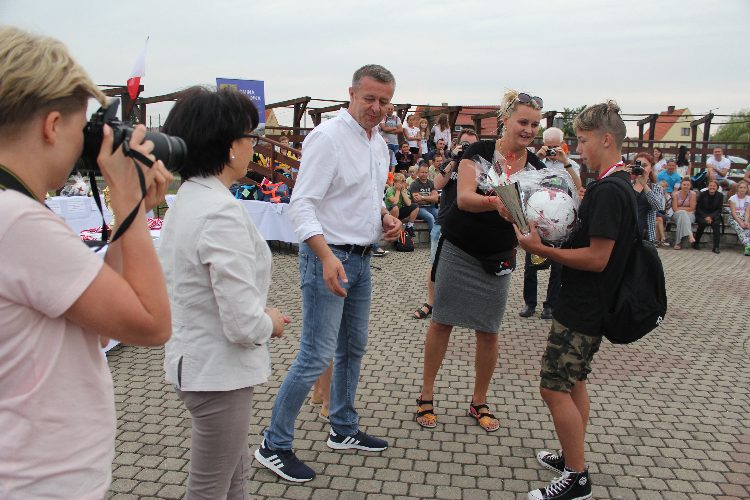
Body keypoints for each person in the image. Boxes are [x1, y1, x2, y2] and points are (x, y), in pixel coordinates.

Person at [0, 27, 172, 498]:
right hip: (38, 482)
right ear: (52, 125)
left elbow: (99, 325)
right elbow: (152, 323)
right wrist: (129, 198)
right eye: (82, 131)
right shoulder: (18, 222)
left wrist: (127, 216)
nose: (86, 147)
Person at [255, 64, 401, 483]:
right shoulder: (328, 137)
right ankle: (274, 444)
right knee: (315, 355)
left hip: (361, 257)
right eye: (369, 98)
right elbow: (301, 204)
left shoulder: (378, 143)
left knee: (353, 347)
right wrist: (324, 256)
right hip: (329, 257)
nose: (377, 108)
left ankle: (343, 427)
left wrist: (385, 218)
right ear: (350, 94)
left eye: (384, 101)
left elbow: (364, 197)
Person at [157, 87, 289, 498]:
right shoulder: (219, 211)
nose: (254, 147)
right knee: (211, 486)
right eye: (251, 137)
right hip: (216, 373)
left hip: (198, 363)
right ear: (231, 146)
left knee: (235, 474)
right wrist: (270, 322)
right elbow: (242, 323)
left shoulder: (189, 197)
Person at [515, 101, 635, 500]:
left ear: (606, 139)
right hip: (588, 302)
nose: (577, 149)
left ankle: (577, 477)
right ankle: (571, 456)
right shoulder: (615, 184)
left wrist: (542, 250)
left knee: (554, 388)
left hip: (585, 306)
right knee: (576, 381)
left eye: (582, 141)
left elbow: (598, 258)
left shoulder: (609, 192)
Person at [417, 91, 546, 433]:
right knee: (441, 322)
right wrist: (496, 204)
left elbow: (540, 211)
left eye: (534, 124)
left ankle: (479, 401)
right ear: (505, 120)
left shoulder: (537, 168)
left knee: (489, 331)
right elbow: (463, 198)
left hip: (498, 256)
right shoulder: (479, 152)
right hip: (459, 248)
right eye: (523, 121)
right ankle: (426, 394)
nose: (529, 129)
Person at [411, 128, 479, 320]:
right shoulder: (450, 164)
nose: (468, 148)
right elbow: (437, 184)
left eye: (472, 145)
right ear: (457, 144)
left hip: (470, 225)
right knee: (435, 264)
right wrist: (455, 160)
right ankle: (431, 303)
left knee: (469, 266)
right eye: (465, 144)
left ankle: (462, 303)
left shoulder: (481, 167)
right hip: (445, 223)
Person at [520, 127, 583, 320]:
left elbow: (578, 186)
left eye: (556, 146)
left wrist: (565, 162)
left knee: (558, 267)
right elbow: (522, 180)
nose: (553, 150)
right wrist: (536, 158)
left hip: (561, 222)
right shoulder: (536, 161)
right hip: (538, 221)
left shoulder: (570, 164)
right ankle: (529, 303)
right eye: (549, 146)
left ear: (563, 144)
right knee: (531, 266)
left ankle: (551, 305)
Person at [630, 152, 665, 243]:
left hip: (646, 233)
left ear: (651, 168)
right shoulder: (628, 185)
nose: (641, 168)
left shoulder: (655, 187)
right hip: (627, 230)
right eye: (639, 165)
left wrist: (644, 185)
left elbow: (658, 206)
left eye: (645, 165)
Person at [693, 179, 724, 253]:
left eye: (714, 186)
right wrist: (706, 216)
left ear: (717, 187)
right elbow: (698, 208)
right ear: (708, 186)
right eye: (711, 185)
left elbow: (719, 209)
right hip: (702, 214)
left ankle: (716, 247)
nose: (712, 187)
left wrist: (710, 217)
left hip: (714, 215)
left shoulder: (720, 196)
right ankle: (696, 243)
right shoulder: (702, 194)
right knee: (703, 223)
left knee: (716, 224)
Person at [409, 162, 440, 234]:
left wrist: (422, 197)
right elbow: (417, 200)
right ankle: (433, 238)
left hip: (431, 207)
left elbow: (436, 199)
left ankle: (440, 236)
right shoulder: (414, 184)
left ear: (428, 173)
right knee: (430, 217)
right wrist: (430, 198)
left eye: (426, 172)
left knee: (440, 216)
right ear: (418, 173)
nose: (424, 174)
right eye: (422, 172)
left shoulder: (431, 183)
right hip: (419, 208)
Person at [671, 177, 697, 249]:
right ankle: (690, 234)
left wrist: (681, 209)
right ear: (681, 185)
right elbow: (675, 209)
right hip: (677, 214)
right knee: (682, 214)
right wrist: (683, 210)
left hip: (690, 215)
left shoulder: (693, 194)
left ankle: (678, 243)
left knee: (681, 220)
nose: (686, 186)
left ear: (690, 186)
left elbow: (692, 208)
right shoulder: (675, 194)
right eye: (684, 184)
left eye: (688, 185)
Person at [726, 180, 750, 255]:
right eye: (741, 187)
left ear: (747, 189)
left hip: (744, 218)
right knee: (740, 228)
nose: (742, 189)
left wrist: (746, 222)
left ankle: (747, 248)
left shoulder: (748, 198)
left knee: (747, 229)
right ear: (737, 188)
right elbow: (733, 213)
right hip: (734, 218)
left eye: (744, 188)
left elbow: (747, 211)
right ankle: (748, 246)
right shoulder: (733, 198)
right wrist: (740, 223)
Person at [379, 103, 402, 170]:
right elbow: (384, 128)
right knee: (387, 160)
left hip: (395, 143)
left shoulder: (397, 118)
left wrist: (388, 130)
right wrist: (394, 128)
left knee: (395, 161)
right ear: (386, 109)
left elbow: (401, 130)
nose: (390, 110)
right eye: (389, 109)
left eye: (391, 109)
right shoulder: (382, 117)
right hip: (386, 143)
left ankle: (394, 174)